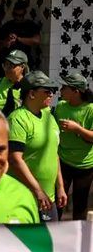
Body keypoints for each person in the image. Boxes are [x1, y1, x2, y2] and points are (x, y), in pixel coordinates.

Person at [8, 71, 66, 221]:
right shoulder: (18, 119)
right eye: (47, 91)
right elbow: (15, 159)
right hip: (24, 198)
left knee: (50, 236)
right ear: (32, 94)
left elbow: (53, 153)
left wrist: (60, 187)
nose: (51, 94)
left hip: (48, 198)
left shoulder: (49, 117)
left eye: (52, 91)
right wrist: (38, 191)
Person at [55, 72, 93, 220]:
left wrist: (77, 129)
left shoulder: (90, 109)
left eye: (64, 87)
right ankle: (54, 229)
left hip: (85, 165)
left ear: (76, 91)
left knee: (80, 205)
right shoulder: (60, 106)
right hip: (63, 161)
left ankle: (78, 232)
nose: (61, 90)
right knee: (58, 201)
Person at [0, 49, 28, 114]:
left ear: (22, 67)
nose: (7, 69)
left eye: (11, 66)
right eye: (6, 65)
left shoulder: (28, 87)